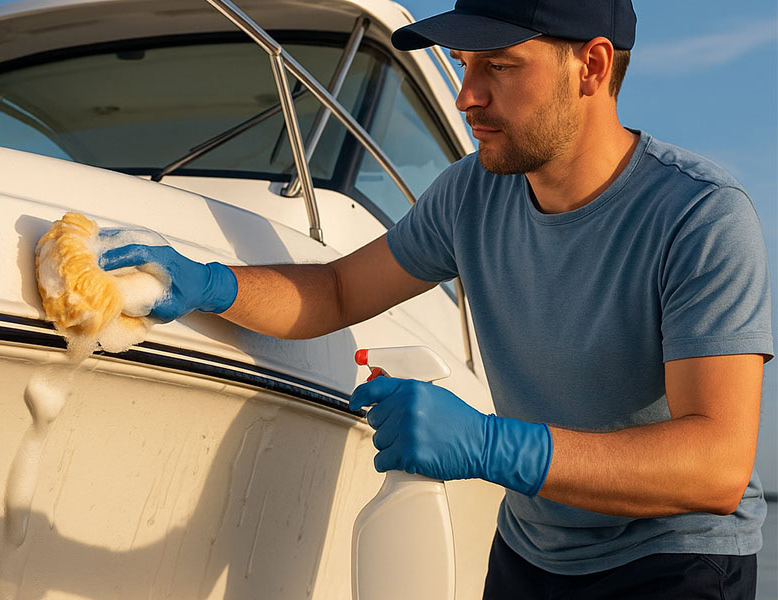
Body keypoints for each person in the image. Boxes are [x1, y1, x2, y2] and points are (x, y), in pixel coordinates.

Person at [100, 0, 773, 597]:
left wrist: (487, 445)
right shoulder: (469, 194)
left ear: (591, 67)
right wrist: (207, 283)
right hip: (531, 553)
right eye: (462, 64)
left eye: (499, 67)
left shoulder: (701, 216)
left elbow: (715, 467)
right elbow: (336, 291)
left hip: (674, 562)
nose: (465, 97)